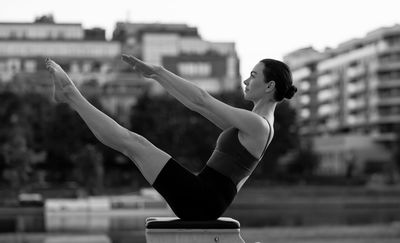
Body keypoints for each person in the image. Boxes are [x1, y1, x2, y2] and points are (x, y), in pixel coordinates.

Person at [45, 55, 297, 220]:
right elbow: (198, 106)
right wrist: (157, 76)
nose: (245, 80)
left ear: (269, 86)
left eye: (253, 76)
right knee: (133, 145)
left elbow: (203, 98)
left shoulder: (258, 125)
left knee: (134, 144)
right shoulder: (253, 125)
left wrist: (159, 71)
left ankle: (70, 95)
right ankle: (70, 97)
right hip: (205, 196)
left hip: (204, 200)